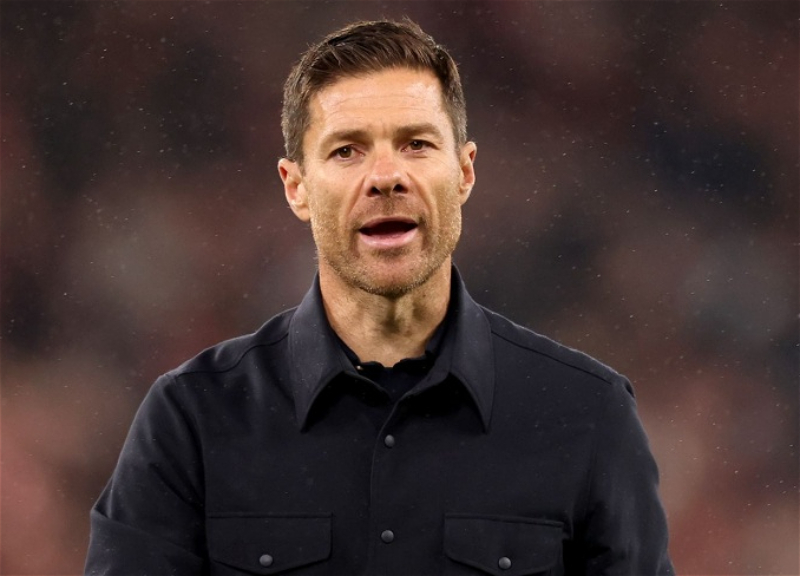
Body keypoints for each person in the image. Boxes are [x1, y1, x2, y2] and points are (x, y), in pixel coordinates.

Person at [85, 19, 674, 575]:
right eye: (347, 150)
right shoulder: (191, 419)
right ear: (296, 187)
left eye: (416, 143)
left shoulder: (588, 414)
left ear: (465, 172)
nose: (385, 176)